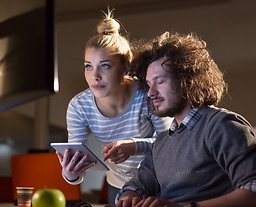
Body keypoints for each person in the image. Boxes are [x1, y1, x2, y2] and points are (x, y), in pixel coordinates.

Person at [115, 31, 256, 207]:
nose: (150, 93)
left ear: (187, 79)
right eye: (149, 84)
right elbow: (137, 185)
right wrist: (129, 196)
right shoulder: (161, 142)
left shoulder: (221, 125)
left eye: (160, 81)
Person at [55, 11, 171, 205]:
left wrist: (134, 146)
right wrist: (70, 174)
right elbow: (78, 165)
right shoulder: (79, 106)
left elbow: (171, 143)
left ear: (126, 67)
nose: (95, 76)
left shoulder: (147, 94)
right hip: (119, 186)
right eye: (88, 66)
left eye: (105, 66)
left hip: (159, 181)